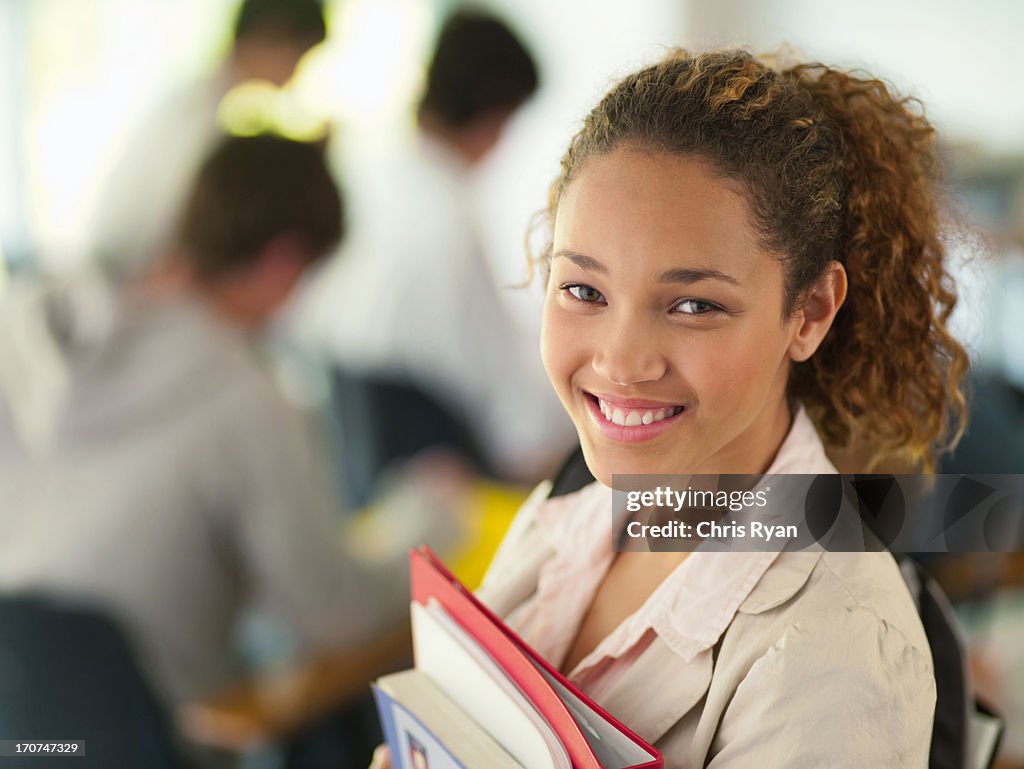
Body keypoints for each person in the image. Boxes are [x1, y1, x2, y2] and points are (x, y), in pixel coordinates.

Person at [371, 49, 972, 768]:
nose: (622, 361)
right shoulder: (573, 507)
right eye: (584, 291)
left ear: (809, 311)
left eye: (694, 304)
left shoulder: (837, 647)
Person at [0, 135, 411, 712]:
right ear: (282, 260)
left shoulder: (23, 330)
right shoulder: (243, 395)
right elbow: (336, 616)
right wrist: (426, 527)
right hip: (155, 729)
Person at [302, 9, 575, 488]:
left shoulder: (363, 167)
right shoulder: (444, 221)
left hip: (351, 442)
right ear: (495, 113)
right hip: (439, 469)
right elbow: (497, 386)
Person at [86, 0, 327, 273]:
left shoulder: (206, 104)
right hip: (128, 276)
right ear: (271, 36)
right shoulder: (194, 116)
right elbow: (173, 231)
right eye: (299, 56)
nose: (296, 73)